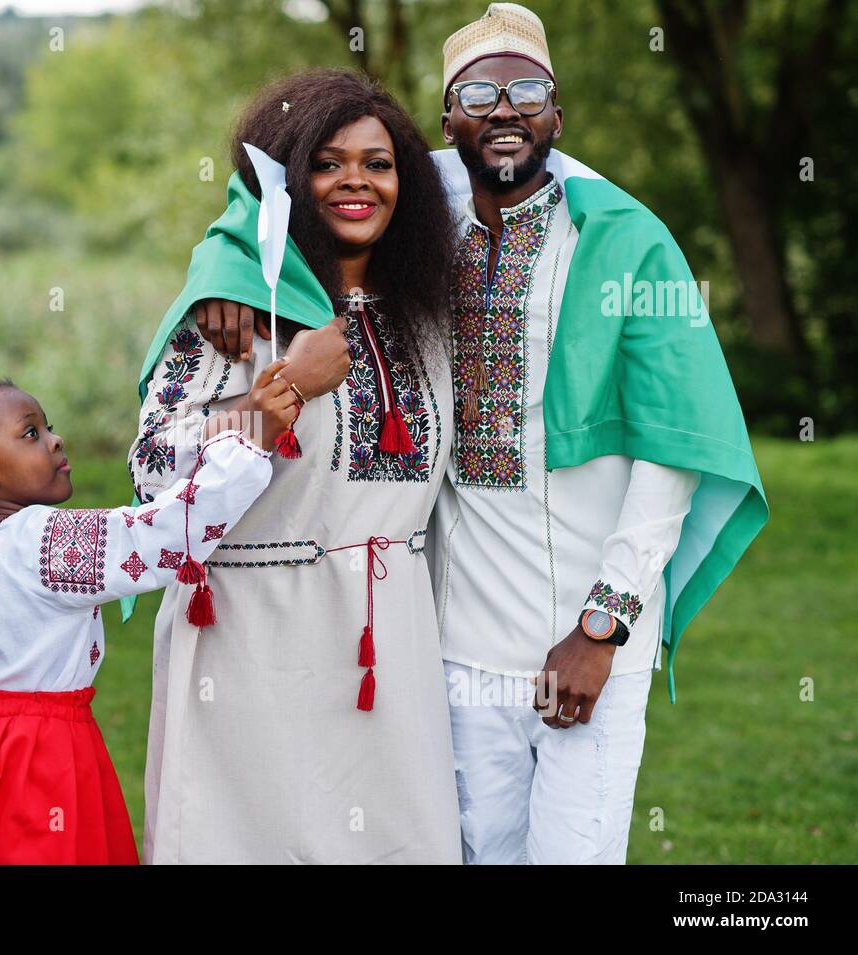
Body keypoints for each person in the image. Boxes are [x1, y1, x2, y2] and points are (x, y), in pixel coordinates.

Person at [429, 2, 766, 863]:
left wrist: (602, 626)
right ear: (448, 121)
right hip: (460, 641)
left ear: (557, 118)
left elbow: (673, 446)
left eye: (527, 90)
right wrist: (219, 280)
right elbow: (271, 209)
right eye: (479, 92)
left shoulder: (624, 242)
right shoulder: (412, 234)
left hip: (588, 643)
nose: (504, 108)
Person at [127, 68, 462, 863]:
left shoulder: (427, 313)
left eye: (378, 164)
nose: (356, 181)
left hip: (389, 640)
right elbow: (151, 470)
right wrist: (284, 389)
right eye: (328, 161)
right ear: (286, 178)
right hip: (252, 638)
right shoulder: (234, 313)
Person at [0, 357, 293, 863]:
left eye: (48, 427)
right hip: (42, 767)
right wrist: (245, 441)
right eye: (30, 434)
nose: (55, 440)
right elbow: (158, 536)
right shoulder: (43, 539)